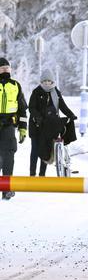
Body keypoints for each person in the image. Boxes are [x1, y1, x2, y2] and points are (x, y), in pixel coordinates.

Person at [28, 69, 76, 177]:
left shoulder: (55, 92)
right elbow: (31, 107)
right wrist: (38, 117)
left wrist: (71, 115)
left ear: (52, 81)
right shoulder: (36, 92)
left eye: (49, 81)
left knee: (46, 150)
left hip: (49, 126)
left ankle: (42, 174)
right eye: (44, 81)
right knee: (35, 149)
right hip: (36, 126)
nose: (47, 83)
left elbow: (62, 105)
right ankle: (32, 174)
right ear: (41, 81)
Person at [0, 58, 28, 199]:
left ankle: (7, 189)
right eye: (2, 67)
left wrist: (23, 128)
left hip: (9, 126)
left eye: (7, 67)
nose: (5, 69)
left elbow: (22, 110)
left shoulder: (15, 85)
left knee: (9, 156)